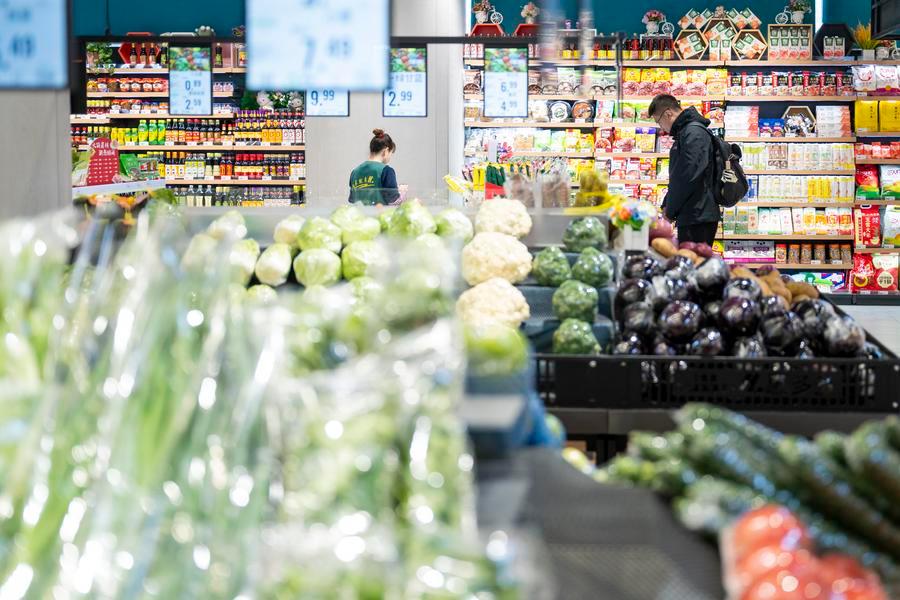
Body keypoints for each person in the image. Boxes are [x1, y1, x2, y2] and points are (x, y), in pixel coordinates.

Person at [648, 94, 720, 246]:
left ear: (668, 113)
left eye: (659, 121)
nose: (661, 127)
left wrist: (670, 211)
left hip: (698, 216)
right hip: (693, 213)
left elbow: (688, 176)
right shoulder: (686, 132)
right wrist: (667, 205)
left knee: (694, 258)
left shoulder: (693, 133)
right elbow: (680, 175)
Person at [349, 129, 400, 205]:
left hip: (359, 212)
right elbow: (393, 199)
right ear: (386, 151)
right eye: (391, 153)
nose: (390, 157)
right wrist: (401, 193)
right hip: (379, 212)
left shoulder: (354, 172)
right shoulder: (386, 171)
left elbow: (352, 199)